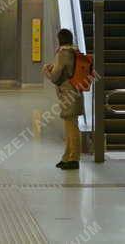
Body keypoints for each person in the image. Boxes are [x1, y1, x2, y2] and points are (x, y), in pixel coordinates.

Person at [43, 29, 84, 170]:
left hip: (68, 94)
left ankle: (74, 158)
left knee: (71, 128)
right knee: (70, 126)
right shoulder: (73, 52)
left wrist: (47, 71)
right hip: (75, 92)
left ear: (59, 39)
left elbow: (55, 77)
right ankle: (67, 157)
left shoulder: (63, 53)